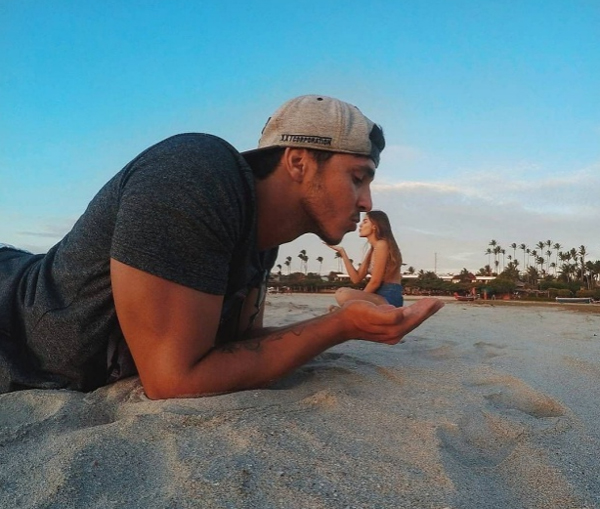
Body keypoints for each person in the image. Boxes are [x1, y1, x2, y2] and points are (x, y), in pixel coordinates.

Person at [0, 95, 444, 399]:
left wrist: (345, 322)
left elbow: (241, 348)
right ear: (298, 162)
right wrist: (341, 325)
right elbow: (173, 382)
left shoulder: (259, 237)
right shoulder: (194, 174)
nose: (367, 201)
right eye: (358, 177)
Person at [328, 211, 404, 308]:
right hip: (377, 295)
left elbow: (375, 282)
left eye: (365, 221)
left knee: (343, 294)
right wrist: (342, 252)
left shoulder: (382, 244)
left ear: (374, 226)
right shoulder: (372, 249)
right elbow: (356, 278)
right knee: (341, 291)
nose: (360, 225)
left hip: (389, 297)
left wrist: (357, 301)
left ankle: (348, 310)